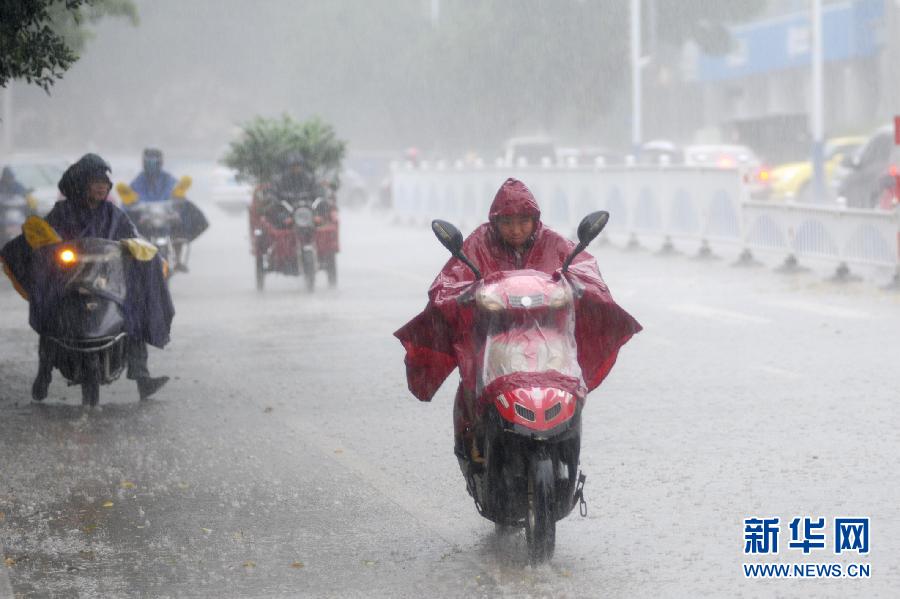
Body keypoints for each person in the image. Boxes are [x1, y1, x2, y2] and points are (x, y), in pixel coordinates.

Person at [394, 177, 642, 456]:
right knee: (472, 375)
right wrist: (462, 293)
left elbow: (583, 269)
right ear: (495, 222)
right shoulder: (479, 243)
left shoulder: (553, 242)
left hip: (549, 337)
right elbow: (449, 280)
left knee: (569, 379)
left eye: (523, 222)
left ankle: (567, 438)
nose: (515, 230)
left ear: (535, 220)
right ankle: (473, 438)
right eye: (507, 223)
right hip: (491, 335)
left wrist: (578, 284)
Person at [1, 154, 173, 401]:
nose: (103, 185)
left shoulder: (114, 214)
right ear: (82, 184)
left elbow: (133, 238)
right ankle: (44, 373)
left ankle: (141, 376)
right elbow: (44, 242)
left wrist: (140, 249)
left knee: (132, 313)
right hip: (68, 286)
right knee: (51, 316)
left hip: (107, 286)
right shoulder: (62, 213)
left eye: (105, 181)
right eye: (96, 181)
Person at [129, 148, 207, 272]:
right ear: (144, 163)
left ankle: (178, 258)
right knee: (129, 228)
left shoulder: (168, 179)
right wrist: (136, 211)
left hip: (167, 218)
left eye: (154, 163)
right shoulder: (138, 181)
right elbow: (130, 200)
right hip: (145, 220)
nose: (151, 167)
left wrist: (176, 212)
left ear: (160, 163)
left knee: (186, 218)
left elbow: (177, 196)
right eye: (149, 163)